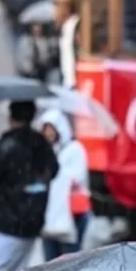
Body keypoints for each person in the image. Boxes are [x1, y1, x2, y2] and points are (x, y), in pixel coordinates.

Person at [0, 101, 58, 271]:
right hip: (33, 218)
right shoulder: (41, 144)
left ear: (11, 117)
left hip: (7, 221)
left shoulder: (7, 145)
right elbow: (54, 170)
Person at [38, 109, 90, 260]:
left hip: (72, 215)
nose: (48, 133)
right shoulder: (46, 152)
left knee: (70, 261)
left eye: (51, 129)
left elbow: (77, 177)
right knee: (50, 263)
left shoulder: (74, 149)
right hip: (49, 217)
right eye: (45, 129)